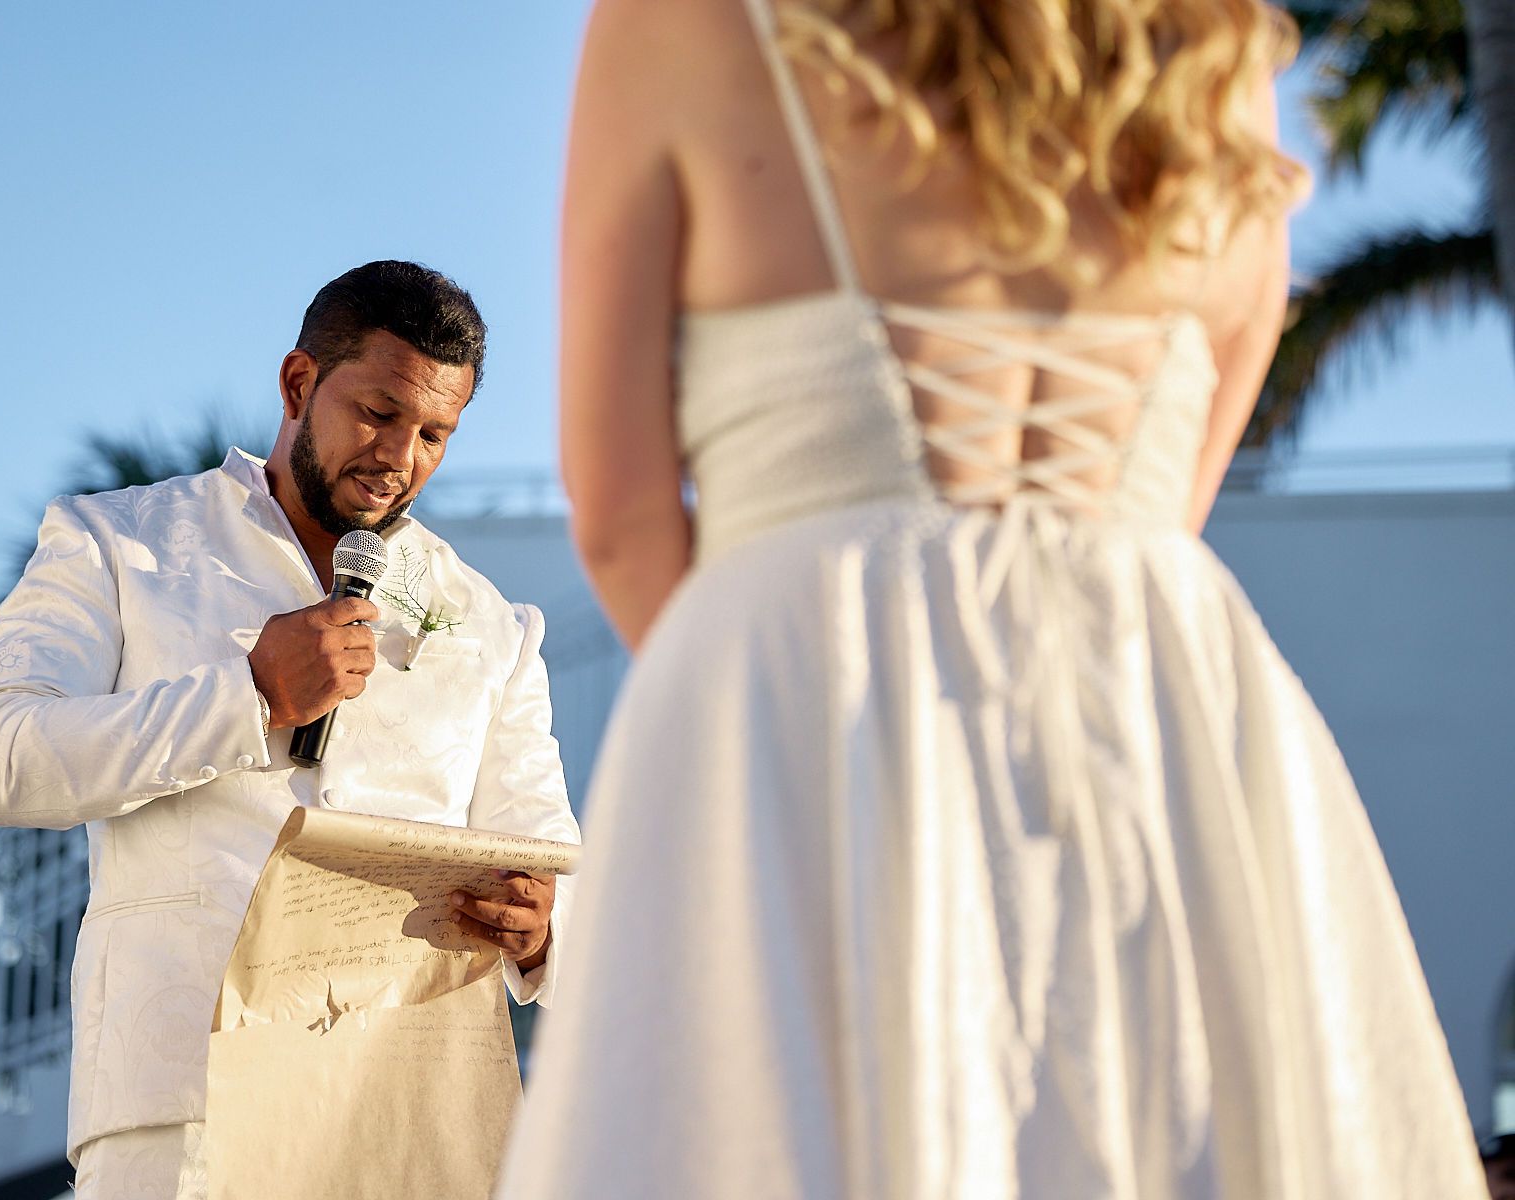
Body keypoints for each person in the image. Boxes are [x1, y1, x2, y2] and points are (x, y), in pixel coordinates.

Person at [505, 1, 1485, 1196]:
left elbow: (619, 512)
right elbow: (1170, 501)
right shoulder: (1221, 58)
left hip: (810, 719)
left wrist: (792, 752)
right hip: (1156, 709)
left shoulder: (689, 25)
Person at [0, 260, 580, 1198]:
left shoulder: (493, 624)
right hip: (180, 1108)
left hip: (407, 1118)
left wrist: (542, 930)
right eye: (378, 413)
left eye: (435, 435)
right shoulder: (117, 542)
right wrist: (245, 696)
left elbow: (551, 862)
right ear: (298, 384)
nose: (400, 459)